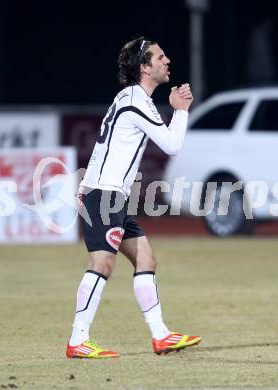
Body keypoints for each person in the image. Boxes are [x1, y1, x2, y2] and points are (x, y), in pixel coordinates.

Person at [66, 36, 201, 359]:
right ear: (144, 66)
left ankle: (161, 335)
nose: (167, 61)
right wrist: (180, 111)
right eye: (161, 56)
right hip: (105, 194)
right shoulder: (135, 100)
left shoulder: (130, 98)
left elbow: (107, 144)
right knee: (102, 263)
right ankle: (78, 340)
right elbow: (172, 145)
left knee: (145, 259)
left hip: (110, 195)